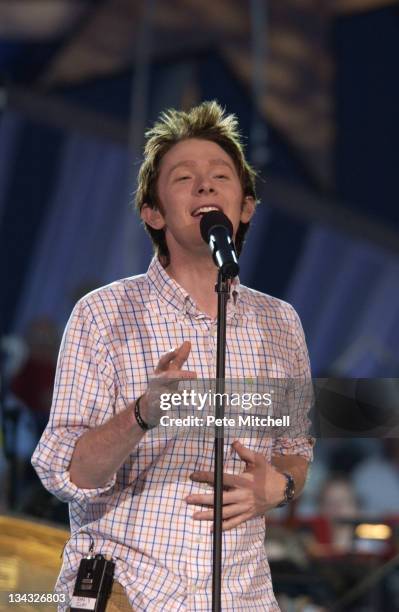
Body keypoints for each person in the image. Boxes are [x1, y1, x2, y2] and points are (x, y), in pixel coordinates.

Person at [32, 101, 314, 611]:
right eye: (184, 177)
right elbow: (69, 475)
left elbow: (295, 448)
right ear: (153, 212)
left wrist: (281, 486)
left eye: (221, 176)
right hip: (126, 589)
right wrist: (144, 413)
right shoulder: (103, 314)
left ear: (245, 207)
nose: (206, 186)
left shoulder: (281, 323)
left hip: (241, 594)